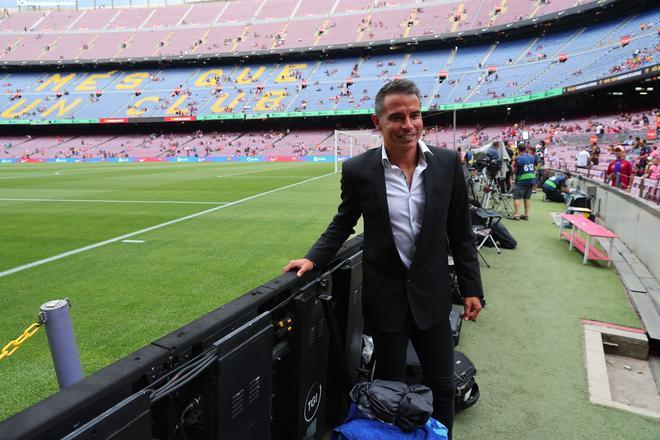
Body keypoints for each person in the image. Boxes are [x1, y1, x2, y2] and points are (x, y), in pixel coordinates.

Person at [283, 79, 483, 439]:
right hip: (386, 298)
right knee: (390, 389)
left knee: (440, 385)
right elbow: (344, 221)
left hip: (433, 295)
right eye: (397, 117)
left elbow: (461, 232)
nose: (408, 125)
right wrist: (313, 258)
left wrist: (472, 288)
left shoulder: (448, 164)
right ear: (378, 122)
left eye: (415, 115)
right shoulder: (359, 169)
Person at [510, 143, 537, 220]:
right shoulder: (532, 157)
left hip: (522, 180)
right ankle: (526, 214)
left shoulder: (518, 159)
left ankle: (517, 215)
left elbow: (515, 171)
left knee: (516, 197)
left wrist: (512, 167)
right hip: (532, 179)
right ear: (525, 149)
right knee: (527, 198)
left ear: (518, 150)